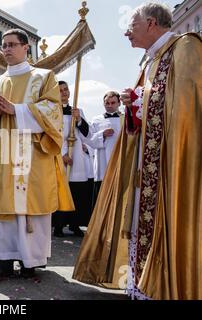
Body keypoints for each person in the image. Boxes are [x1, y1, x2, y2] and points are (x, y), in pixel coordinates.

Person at [73, 2, 201, 300]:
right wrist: (135, 104)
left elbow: (186, 108)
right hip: (148, 162)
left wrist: (141, 100)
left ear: (152, 23)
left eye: (131, 25)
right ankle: (144, 284)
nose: (126, 33)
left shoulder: (185, 48)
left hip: (173, 163)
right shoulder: (151, 60)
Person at [0, 29, 74, 278]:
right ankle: (1, 260)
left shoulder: (43, 77)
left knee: (28, 207)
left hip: (32, 155)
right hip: (2, 155)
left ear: (25, 47)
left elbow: (52, 110)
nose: (6, 49)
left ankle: (31, 260)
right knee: (2, 205)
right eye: (4, 46)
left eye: (12, 45)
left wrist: (17, 110)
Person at [52, 81, 91, 237]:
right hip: (60, 156)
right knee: (61, 190)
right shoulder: (53, 112)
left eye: (66, 89)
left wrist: (79, 119)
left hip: (77, 157)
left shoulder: (77, 110)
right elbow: (53, 135)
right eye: (60, 90)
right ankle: (59, 225)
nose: (64, 92)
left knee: (77, 191)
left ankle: (75, 224)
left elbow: (86, 134)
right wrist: (62, 154)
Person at [86, 91, 123, 205]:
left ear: (119, 103)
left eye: (113, 103)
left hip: (120, 161)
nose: (110, 105)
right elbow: (90, 139)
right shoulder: (96, 120)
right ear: (103, 104)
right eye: (107, 103)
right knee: (102, 199)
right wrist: (102, 134)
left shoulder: (125, 119)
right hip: (102, 164)